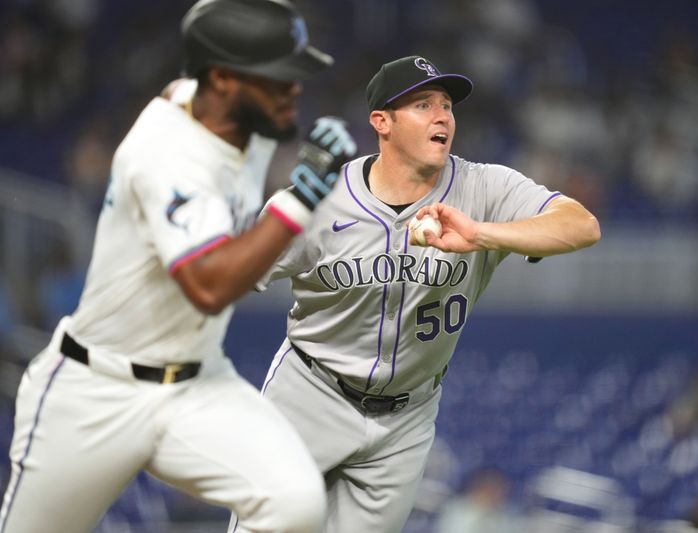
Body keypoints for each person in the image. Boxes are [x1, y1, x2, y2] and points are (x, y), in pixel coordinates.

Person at [0, 0, 356, 532]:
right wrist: (299, 196)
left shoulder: (231, 111)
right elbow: (208, 286)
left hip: (196, 384)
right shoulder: (166, 153)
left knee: (295, 503)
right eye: (279, 78)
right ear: (222, 79)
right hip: (96, 389)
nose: (294, 90)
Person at [242, 55, 600, 533]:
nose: (442, 117)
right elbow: (228, 273)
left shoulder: (484, 187)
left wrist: (482, 235)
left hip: (405, 418)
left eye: (447, 105)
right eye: (423, 104)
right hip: (312, 393)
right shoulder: (322, 198)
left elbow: (582, 225)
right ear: (381, 122)